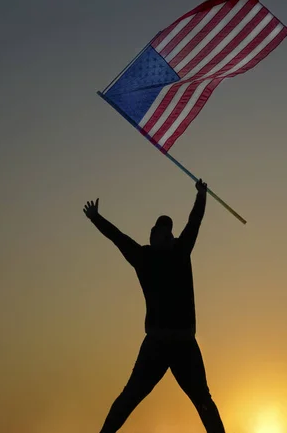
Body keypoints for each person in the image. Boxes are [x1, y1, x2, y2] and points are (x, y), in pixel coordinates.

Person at [83, 179, 226, 433]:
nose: (165, 233)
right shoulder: (145, 257)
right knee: (130, 397)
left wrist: (201, 197)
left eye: (167, 230)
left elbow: (194, 222)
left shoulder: (178, 251)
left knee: (203, 400)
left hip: (182, 343)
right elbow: (119, 238)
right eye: (160, 230)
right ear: (154, 236)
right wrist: (96, 218)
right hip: (158, 344)